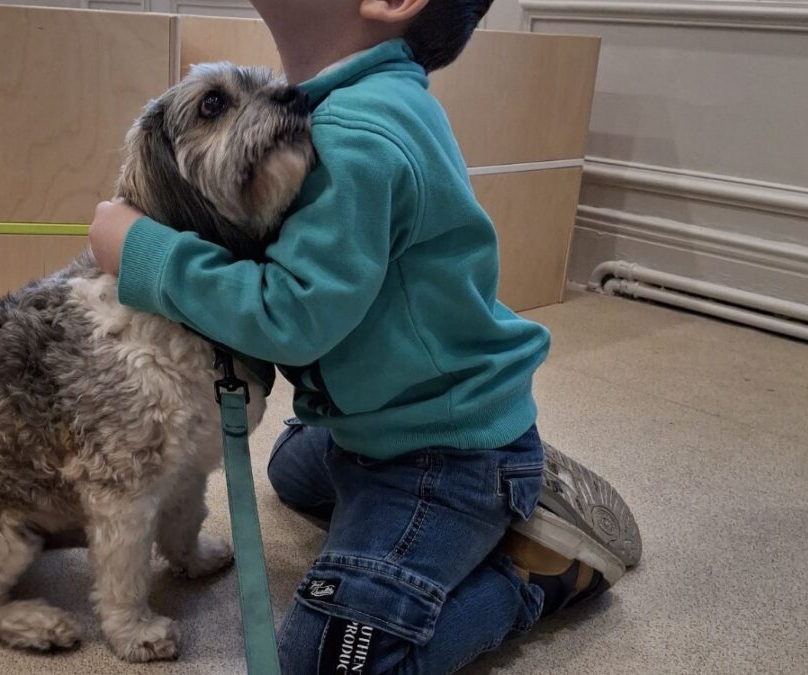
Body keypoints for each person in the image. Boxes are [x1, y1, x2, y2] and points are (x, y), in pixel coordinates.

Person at [89, 1, 639, 671]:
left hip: (434, 453)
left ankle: (531, 575)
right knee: (292, 469)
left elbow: (287, 317)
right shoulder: (372, 96)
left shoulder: (355, 132)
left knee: (329, 658)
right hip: (391, 423)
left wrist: (146, 251)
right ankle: (506, 481)